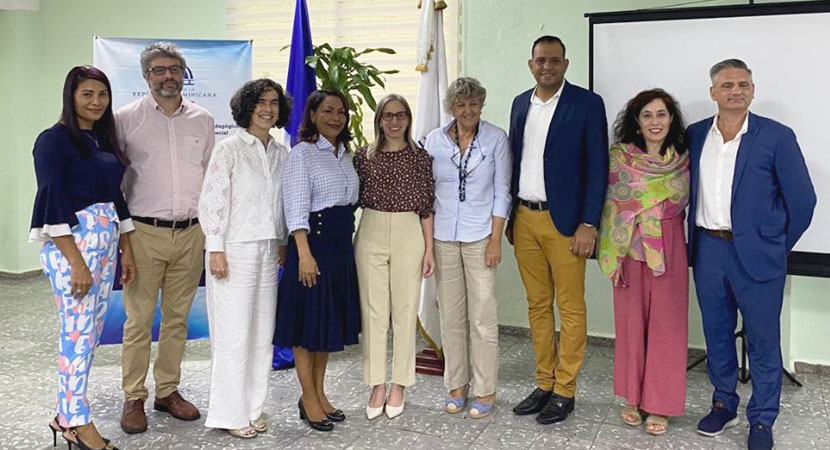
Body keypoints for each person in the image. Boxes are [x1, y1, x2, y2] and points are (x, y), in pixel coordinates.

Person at [688, 59, 815, 450]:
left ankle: (762, 418)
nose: (736, 91)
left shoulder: (776, 136)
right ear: (713, 93)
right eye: (727, 85)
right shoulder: (694, 136)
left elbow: (803, 201)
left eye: (743, 84)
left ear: (753, 90)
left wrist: (774, 243)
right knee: (717, 333)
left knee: (762, 340)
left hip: (759, 256)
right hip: (709, 249)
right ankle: (724, 402)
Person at [31, 65, 135, 450]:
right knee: (76, 337)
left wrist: (126, 250)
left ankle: (65, 415)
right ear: (71, 96)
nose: (96, 101)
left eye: (102, 95)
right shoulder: (54, 141)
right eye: (87, 94)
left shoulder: (102, 141)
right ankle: (77, 422)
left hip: (105, 247)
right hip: (72, 247)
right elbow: (50, 199)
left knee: (87, 338)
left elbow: (117, 197)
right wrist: (76, 262)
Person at [506, 35, 608, 424]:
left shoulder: (586, 103)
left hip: (566, 224)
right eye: (539, 60)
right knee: (536, 305)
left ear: (565, 64)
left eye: (553, 60)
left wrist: (589, 223)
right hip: (525, 219)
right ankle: (544, 381)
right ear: (530, 64)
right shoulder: (520, 103)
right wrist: (512, 217)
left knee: (570, 306)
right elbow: (515, 160)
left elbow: (598, 166)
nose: (546, 66)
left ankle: (565, 389)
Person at [115, 42, 215, 434]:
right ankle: (133, 396)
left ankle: (167, 390)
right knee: (138, 320)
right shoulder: (125, 120)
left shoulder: (203, 119)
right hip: (143, 233)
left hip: (191, 232)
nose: (167, 76)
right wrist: (123, 240)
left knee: (176, 320)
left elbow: (209, 179)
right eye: (159, 70)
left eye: (174, 69)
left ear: (183, 73)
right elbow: (116, 184)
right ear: (146, 76)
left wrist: (209, 233)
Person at [198, 79, 292, 438]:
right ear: (247, 108)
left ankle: (252, 409)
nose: (267, 109)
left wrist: (282, 241)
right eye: (260, 103)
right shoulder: (230, 148)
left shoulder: (281, 153)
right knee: (233, 336)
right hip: (233, 250)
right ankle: (229, 414)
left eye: (273, 103)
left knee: (260, 334)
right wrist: (216, 248)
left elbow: (281, 204)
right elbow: (213, 201)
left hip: (268, 250)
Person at [596, 89, 690, 435]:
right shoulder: (621, 157)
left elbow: (680, 204)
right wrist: (614, 254)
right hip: (629, 246)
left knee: (667, 326)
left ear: (671, 119)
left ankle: (660, 404)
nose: (655, 121)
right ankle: (632, 398)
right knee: (631, 324)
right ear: (637, 121)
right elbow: (613, 208)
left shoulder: (682, 158)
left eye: (661, 114)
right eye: (647, 115)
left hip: (670, 245)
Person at [424, 77, 511, 419]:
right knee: (452, 317)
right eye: (461, 104)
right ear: (452, 107)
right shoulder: (433, 140)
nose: (467, 110)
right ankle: (456, 386)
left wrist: (495, 239)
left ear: (481, 105)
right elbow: (425, 191)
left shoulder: (496, 139)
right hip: (444, 236)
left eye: (473, 103)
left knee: (483, 318)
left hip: (480, 239)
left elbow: (503, 191)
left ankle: (485, 389)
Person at [273, 89, 361, 432]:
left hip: (340, 249)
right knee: (305, 329)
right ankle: (307, 397)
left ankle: (319, 394)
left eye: (341, 111)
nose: (335, 117)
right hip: (312, 249)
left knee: (325, 328)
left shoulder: (346, 155)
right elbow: (295, 208)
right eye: (327, 110)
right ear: (312, 115)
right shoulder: (303, 154)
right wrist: (304, 255)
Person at [354, 94, 435, 420]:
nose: (394, 121)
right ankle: (376, 383)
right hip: (371, 229)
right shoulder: (363, 156)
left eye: (400, 115)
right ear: (379, 120)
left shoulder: (421, 158)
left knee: (404, 312)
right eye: (388, 115)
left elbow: (427, 208)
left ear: (408, 119)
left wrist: (429, 249)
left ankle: (400, 383)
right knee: (373, 312)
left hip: (408, 232)